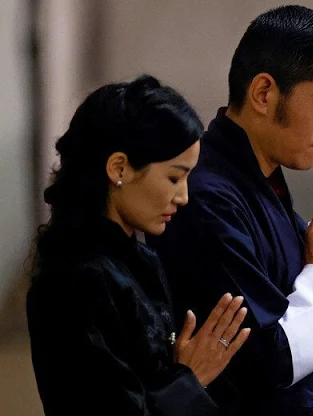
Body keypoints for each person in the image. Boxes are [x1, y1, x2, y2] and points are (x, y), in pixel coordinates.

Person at [147, 5, 313, 415]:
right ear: (263, 94)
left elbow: (300, 298)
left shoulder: (258, 177)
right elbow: (272, 358)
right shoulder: (208, 199)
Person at [27, 74, 251, 415]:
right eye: (175, 178)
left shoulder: (140, 259)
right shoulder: (74, 281)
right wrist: (191, 377)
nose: (184, 196)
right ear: (120, 168)